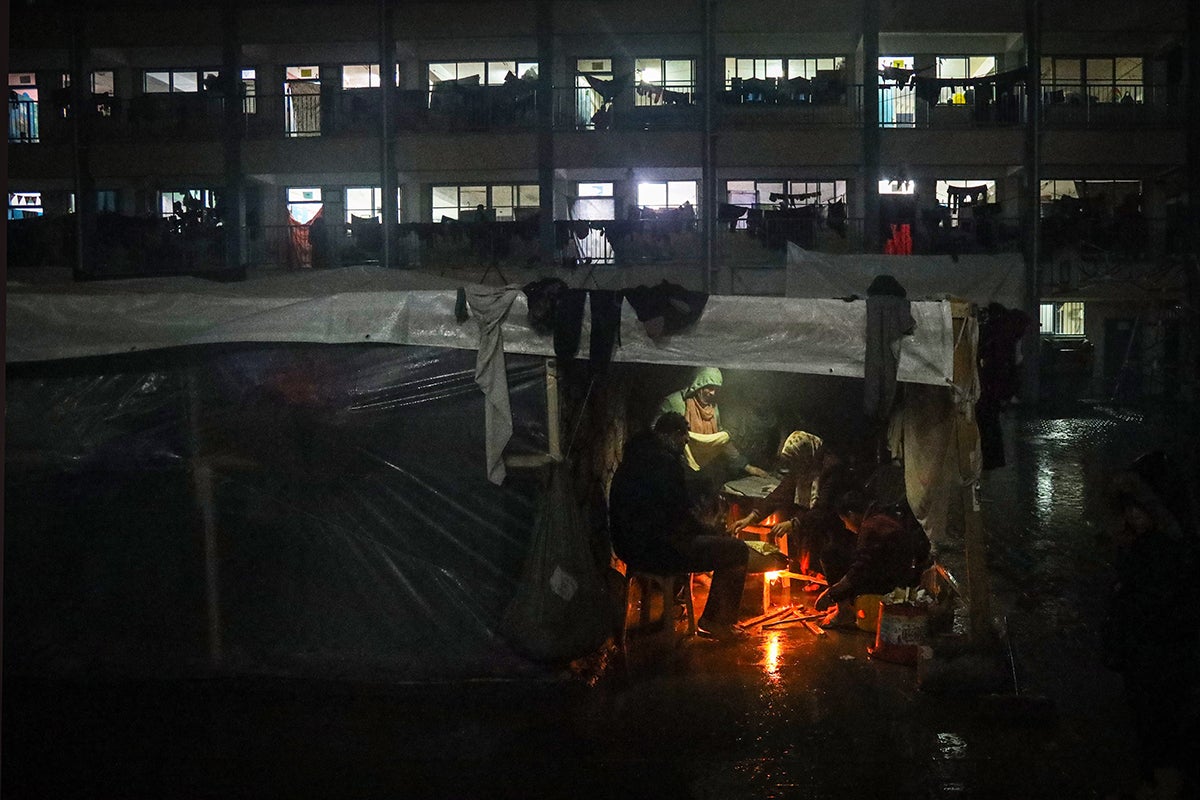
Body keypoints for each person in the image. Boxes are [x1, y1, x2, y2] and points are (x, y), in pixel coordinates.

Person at [1101, 453, 1198, 800]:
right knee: (1147, 727)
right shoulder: (1141, 546)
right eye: (1127, 508)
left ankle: (1165, 782)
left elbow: (1158, 609)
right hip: (1143, 661)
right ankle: (1155, 779)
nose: (1131, 515)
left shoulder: (1171, 556)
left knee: (1163, 731)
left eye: (1138, 508)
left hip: (1162, 664)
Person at [609, 412, 752, 642]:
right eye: (684, 437)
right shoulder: (663, 464)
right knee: (736, 550)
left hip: (627, 546)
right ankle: (717, 622)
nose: (686, 442)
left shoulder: (635, 458)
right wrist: (710, 531)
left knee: (714, 542)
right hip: (656, 550)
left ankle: (711, 618)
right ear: (673, 435)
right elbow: (679, 516)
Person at [813, 489, 930, 615]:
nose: (846, 526)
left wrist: (833, 593)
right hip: (899, 575)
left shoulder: (871, 526)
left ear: (851, 514)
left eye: (844, 521)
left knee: (830, 554)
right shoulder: (880, 515)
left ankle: (844, 612)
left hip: (892, 583)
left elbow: (860, 570)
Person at [658, 367, 770, 483]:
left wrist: (746, 466)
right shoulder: (674, 403)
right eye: (710, 387)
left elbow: (720, 442)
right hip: (677, 471)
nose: (713, 393)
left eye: (716, 389)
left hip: (706, 473)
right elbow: (655, 436)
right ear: (699, 384)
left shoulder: (712, 408)